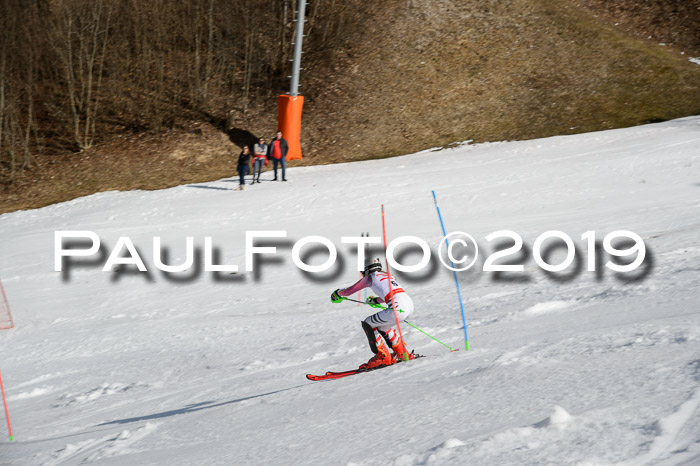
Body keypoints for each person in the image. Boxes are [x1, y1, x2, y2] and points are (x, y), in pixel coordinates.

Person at [331, 257, 416, 369]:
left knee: (368, 323)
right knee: (383, 327)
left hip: (397, 308)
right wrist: (375, 300)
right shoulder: (389, 276)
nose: (362, 275)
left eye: (362, 272)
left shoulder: (370, 277)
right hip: (409, 305)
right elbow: (389, 293)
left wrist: (337, 293)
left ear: (366, 269)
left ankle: (383, 357)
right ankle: (402, 353)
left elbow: (349, 290)